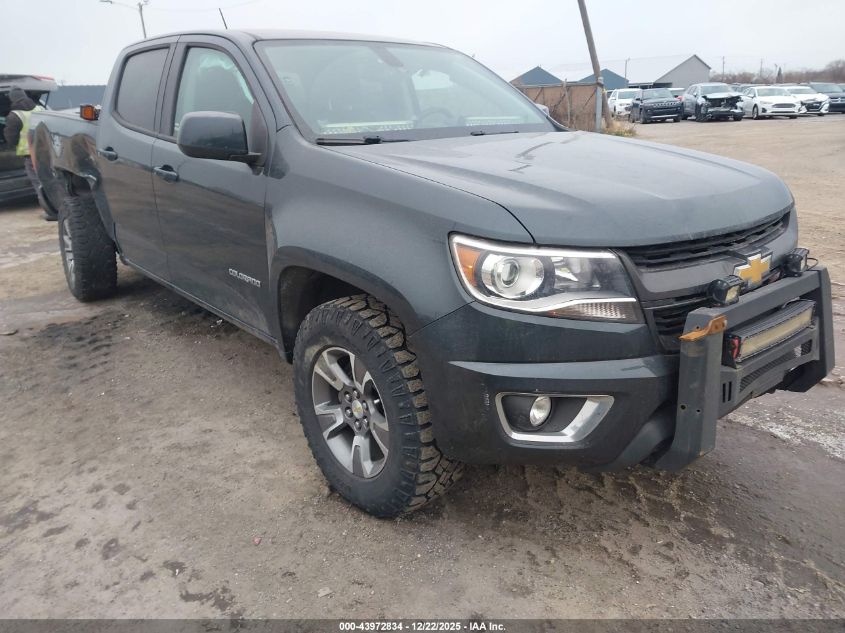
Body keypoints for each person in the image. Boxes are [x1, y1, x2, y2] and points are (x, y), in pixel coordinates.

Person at [3, 86, 53, 220]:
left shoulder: (15, 116)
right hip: (47, 152)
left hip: (30, 155)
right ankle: (58, 206)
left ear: (12, 99)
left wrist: (14, 144)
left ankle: (50, 211)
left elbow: (11, 137)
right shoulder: (40, 109)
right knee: (50, 179)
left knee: (38, 182)